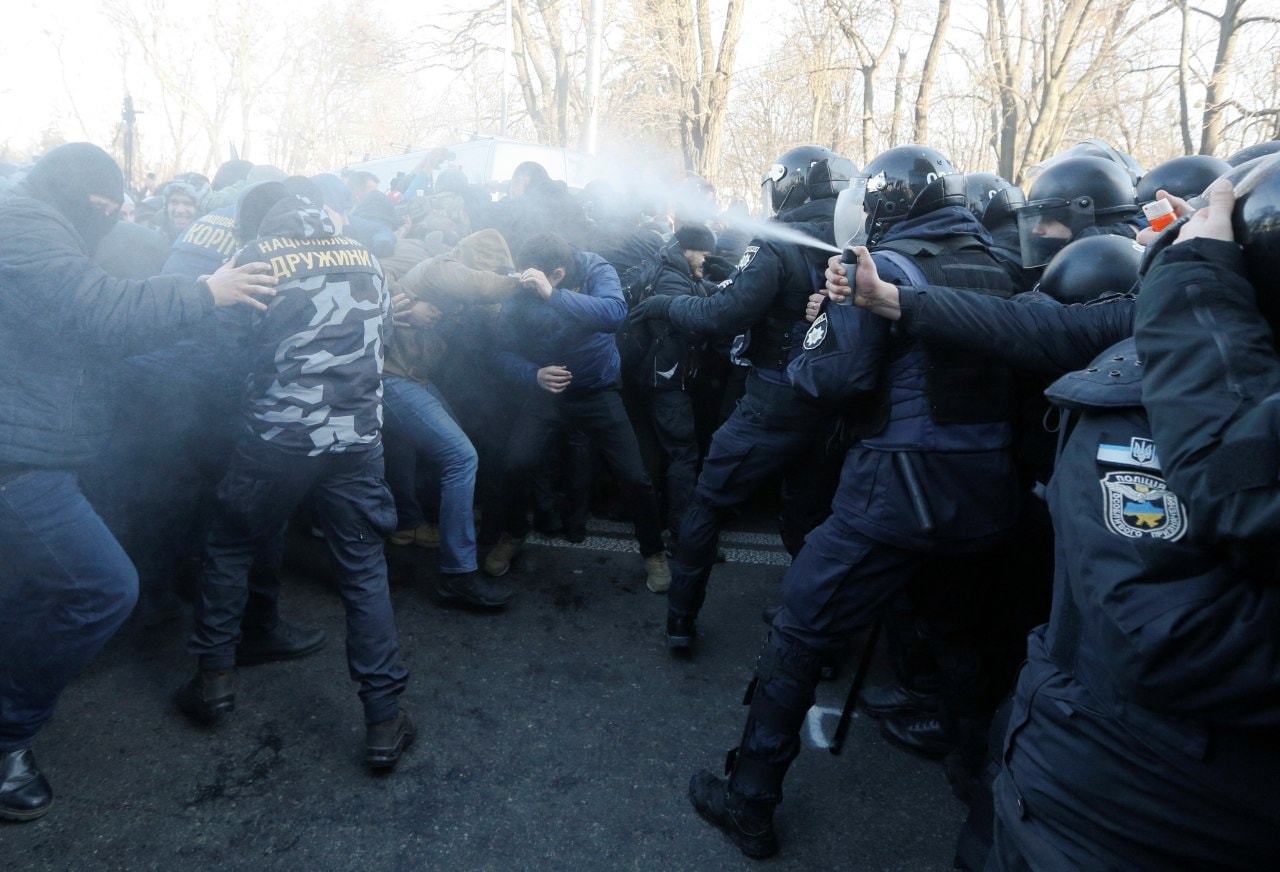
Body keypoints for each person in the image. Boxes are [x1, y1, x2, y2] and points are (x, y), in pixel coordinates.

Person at [685, 159, 1021, 859]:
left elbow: (832, 380)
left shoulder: (879, 268)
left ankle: (750, 800)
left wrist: (819, 331)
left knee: (800, 628)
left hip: (896, 489)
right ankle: (975, 779)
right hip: (986, 488)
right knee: (960, 636)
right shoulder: (1000, 263)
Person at [984, 170, 1280, 869]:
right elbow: (1043, 324)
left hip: (1127, 809)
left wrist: (1192, 288)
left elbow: (1164, 640)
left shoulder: (1143, 398)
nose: (1040, 234)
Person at [0, 143, 277, 822]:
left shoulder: (39, 224)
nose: (106, 221)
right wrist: (205, 292)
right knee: (102, 586)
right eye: (102, 207)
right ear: (80, 194)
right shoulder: (23, 221)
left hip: (36, 438)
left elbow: (81, 335)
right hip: (15, 456)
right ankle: (7, 738)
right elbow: (93, 308)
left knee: (32, 584)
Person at [173, 182, 415, 773]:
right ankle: (384, 721)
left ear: (257, 223)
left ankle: (213, 683)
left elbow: (220, 358)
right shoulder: (366, 258)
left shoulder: (253, 260)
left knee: (231, 547)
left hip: (276, 442)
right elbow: (382, 341)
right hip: (356, 442)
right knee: (363, 570)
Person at [627, 145, 854, 651]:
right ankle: (814, 633)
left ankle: (680, 621)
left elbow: (723, 315)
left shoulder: (776, 242)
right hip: (835, 404)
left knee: (707, 502)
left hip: (775, 399)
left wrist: (665, 304)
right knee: (811, 518)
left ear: (790, 186)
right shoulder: (859, 239)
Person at [484, 232, 671, 593]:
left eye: (539, 280)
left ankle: (653, 551)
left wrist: (553, 295)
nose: (530, 284)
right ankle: (514, 531)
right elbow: (500, 352)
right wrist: (533, 374)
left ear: (557, 273)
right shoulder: (523, 285)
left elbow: (614, 315)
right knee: (515, 463)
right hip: (546, 395)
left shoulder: (593, 269)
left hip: (597, 392)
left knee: (635, 476)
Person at [626, 223, 717, 563]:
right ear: (687, 250)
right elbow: (694, 319)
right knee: (683, 454)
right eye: (705, 253)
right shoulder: (671, 279)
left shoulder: (671, 269)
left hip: (654, 377)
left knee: (656, 453)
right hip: (666, 381)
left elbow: (700, 291)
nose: (707, 260)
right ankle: (682, 535)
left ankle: (655, 521)